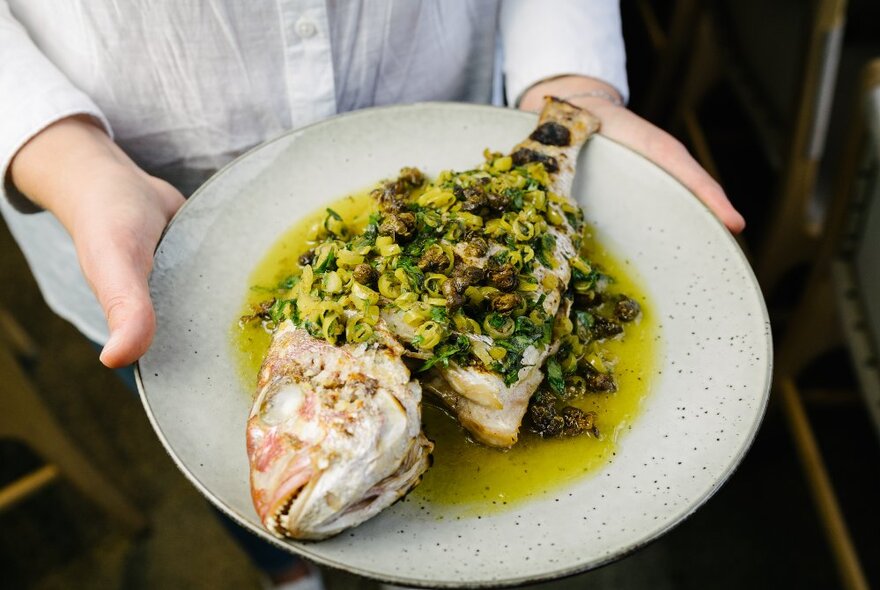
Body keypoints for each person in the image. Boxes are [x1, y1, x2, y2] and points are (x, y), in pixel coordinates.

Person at [0, 1, 744, 587]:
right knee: (202, 447)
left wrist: (570, 79)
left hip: (443, 99)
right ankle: (283, 573)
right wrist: (64, 155)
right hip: (137, 194)